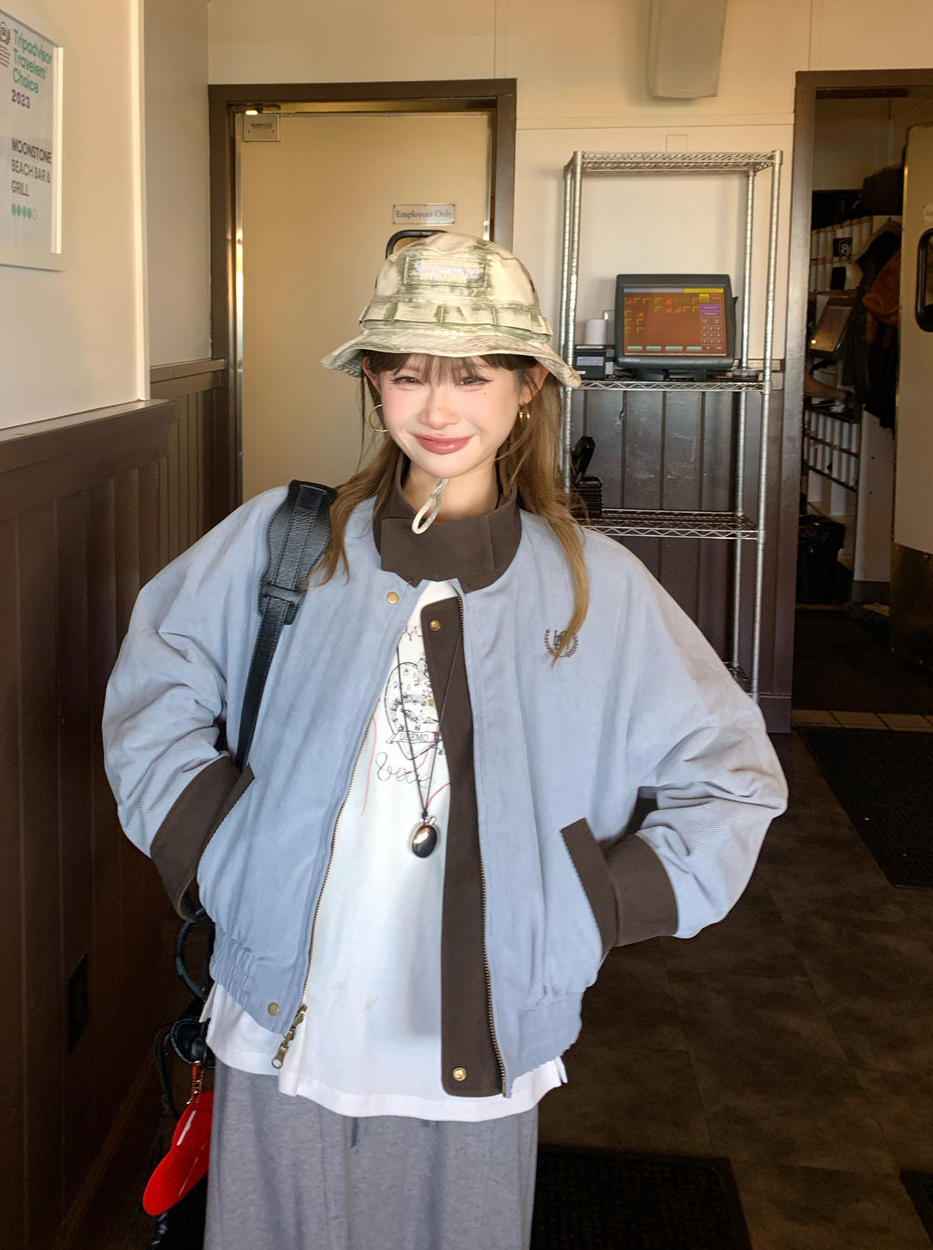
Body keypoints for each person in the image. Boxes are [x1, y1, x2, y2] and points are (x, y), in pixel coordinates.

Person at [103, 233, 788, 1250]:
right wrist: (219, 850)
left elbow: (733, 776)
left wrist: (593, 906)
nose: (437, 407)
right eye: (408, 373)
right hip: (279, 1011)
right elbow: (154, 684)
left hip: (484, 1029)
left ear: (527, 388)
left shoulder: (596, 589)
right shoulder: (285, 542)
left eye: (473, 374)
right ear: (373, 384)